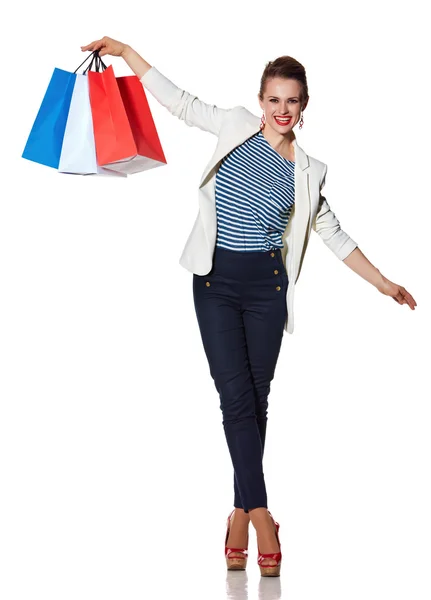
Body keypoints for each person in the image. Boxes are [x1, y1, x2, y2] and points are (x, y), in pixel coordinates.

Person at [81, 37, 418, 577]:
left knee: (255, 403)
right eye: (274, 99)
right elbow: (180, 101)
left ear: (303, 107)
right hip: (215, 283)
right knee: (235, 398)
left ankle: (237, 516)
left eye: (292, 101)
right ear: (260, 101)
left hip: (267, 289)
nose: (282, 110)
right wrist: (125, 52)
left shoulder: (309, 170)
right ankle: (262, 517)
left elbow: (331, 233)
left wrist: (383, 282)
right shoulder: (235, 126)